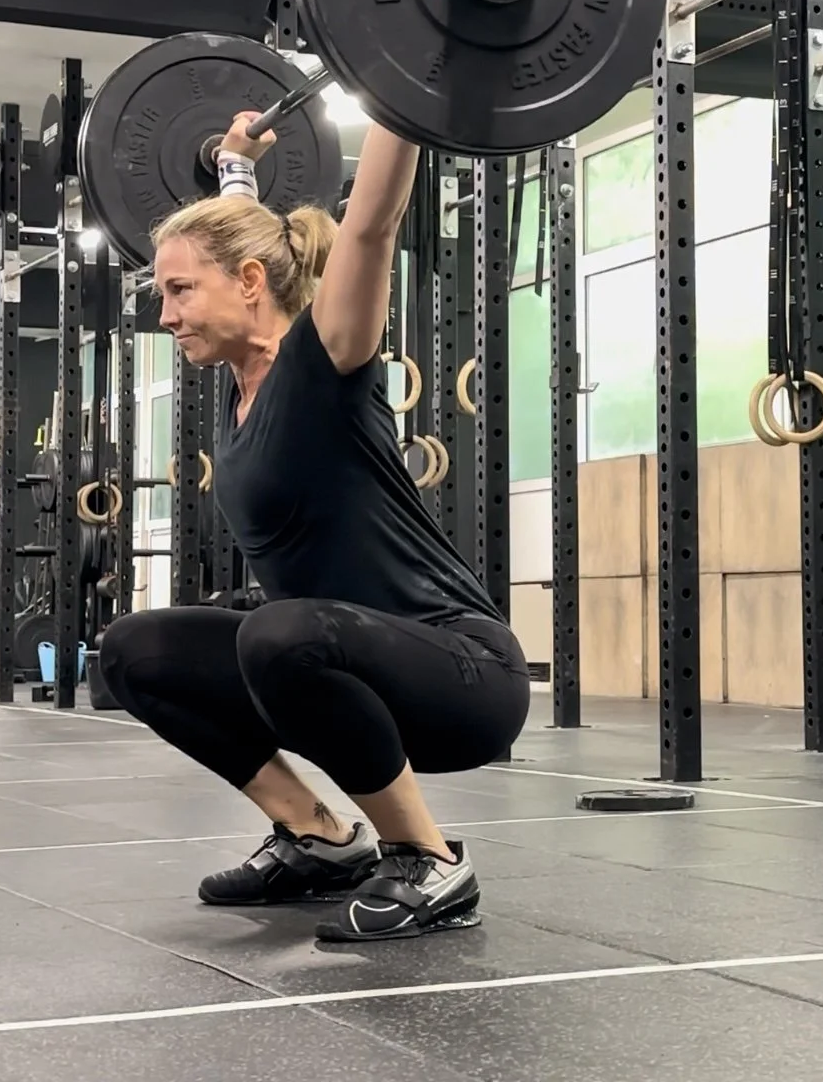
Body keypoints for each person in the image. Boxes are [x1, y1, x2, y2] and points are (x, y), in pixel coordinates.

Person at [98, 112, 531, 943]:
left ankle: (429, 858)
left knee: (278, 633)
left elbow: (371, 225)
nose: (166, 315)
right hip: (328, 665)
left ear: (251, 283)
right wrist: (233, 167)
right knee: (134, 651)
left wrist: (401, 93)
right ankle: (319, 838)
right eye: (164, 293)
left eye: (179, 291)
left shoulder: (325, 358)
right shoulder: (239, 378)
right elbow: (246, 239)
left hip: (461, 673)